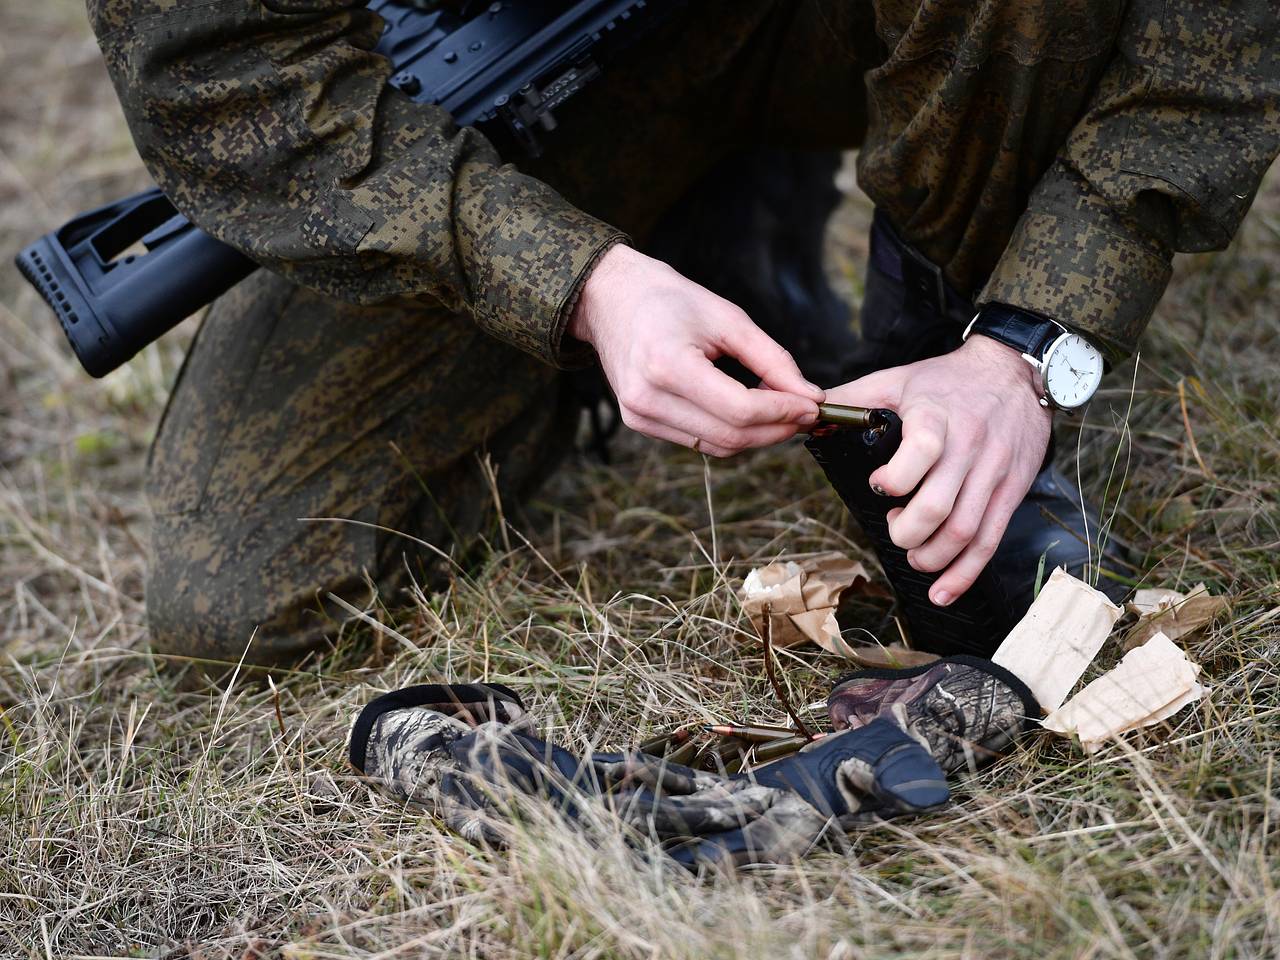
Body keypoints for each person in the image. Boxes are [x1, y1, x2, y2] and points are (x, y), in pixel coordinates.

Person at [88, 0, 1279, 669]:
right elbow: (228, 75)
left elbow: (1206, 47)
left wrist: (1026, 345)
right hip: (522, 77)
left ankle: (946, 348)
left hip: (849, 26)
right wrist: (574, 282)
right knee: (239, 604)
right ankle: (691, 224)